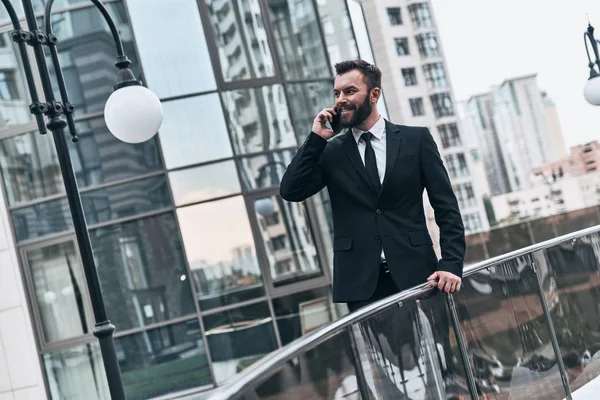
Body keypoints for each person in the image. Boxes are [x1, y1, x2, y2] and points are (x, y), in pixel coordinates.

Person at [279, 59, 465, 312]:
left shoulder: (416, 140)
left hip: (419, 275)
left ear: (374, 94)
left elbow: (447, 208)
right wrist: (315, 140)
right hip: (360, 285)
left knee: (438, 352)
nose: (340, 99)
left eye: (350, 91)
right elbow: (291, 190)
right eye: (337, 93)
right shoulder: (330, 151)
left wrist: (451, 264)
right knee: (376, 354)